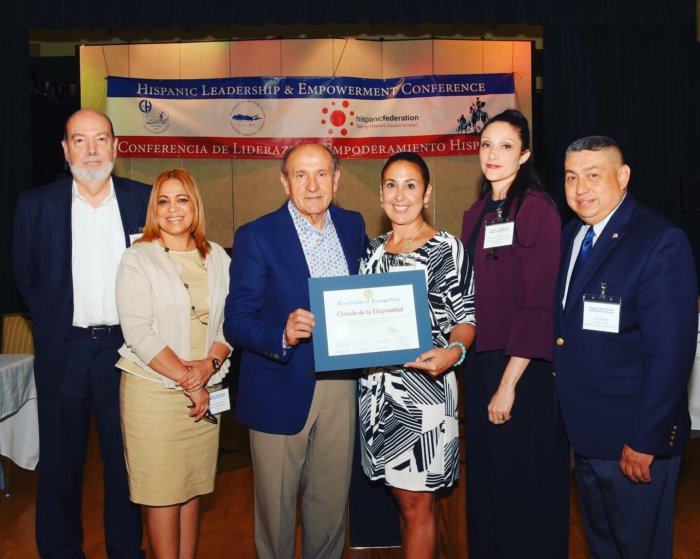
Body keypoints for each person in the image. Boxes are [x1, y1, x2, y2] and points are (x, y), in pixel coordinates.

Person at [12, 108, 148, 558]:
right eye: (80, 140)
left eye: (100, 139)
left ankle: (126, 551)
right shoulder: (36, 205)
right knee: (59, 464)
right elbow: (25, 276)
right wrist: (54, 324)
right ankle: (60, 551)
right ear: (66, 149)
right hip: (64, 350)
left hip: (126, 352)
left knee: (125, 465)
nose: (91, 150)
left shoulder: (144, 202)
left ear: (116, 146)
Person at [555, 136, 697, 559]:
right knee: (604, 547)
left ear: (623, 177)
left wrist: (645, 438)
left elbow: (670, 354)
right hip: (588, 437)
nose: (581, 188)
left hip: (633, 443)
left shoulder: (659, 240)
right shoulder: (572, 237)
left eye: (593, 176)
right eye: (571, 177)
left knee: (640, 550)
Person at [223, 143, 366, 559]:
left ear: (336, 178)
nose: (312, 184)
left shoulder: (353, 225)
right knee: (276, 512)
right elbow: (236, 320)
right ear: (284, 181)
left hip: (341, 386)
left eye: (322, 173)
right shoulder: (256, 235)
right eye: (300, 175)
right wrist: (281, 334)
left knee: (330, 505)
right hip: (278, 388)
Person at [460, 109, 569, 558]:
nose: (493, 154)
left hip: (522, 369)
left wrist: (508, 384)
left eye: (505, 145)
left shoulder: (538, 209)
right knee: (487, 481)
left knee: (523, 484)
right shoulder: (474, 213)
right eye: (486, 144)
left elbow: (537, 304)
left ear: (524, 154)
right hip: (481, 363)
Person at [359, 152, 475, 558]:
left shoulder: (447, 249)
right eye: (392, 185)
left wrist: (453, 353)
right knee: (402, 501)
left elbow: (466, 320)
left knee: (416, 504)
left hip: (423, 395)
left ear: (427, 193)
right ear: (380, 194)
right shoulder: (372, 251)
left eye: (411, 185)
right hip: (377, 395)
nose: (401, 195)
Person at [115, 168, 232, 558]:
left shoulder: (217, 257)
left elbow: (230, 322)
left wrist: (209, 368)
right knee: (162, 493)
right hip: (154, 395)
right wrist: (190, 379)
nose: (173, 208)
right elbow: (138, 332)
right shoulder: (138, 258)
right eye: (163, 201)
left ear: (195, 205)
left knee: (192, 488)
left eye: (181, 199)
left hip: (205, 392)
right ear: (154, 209)